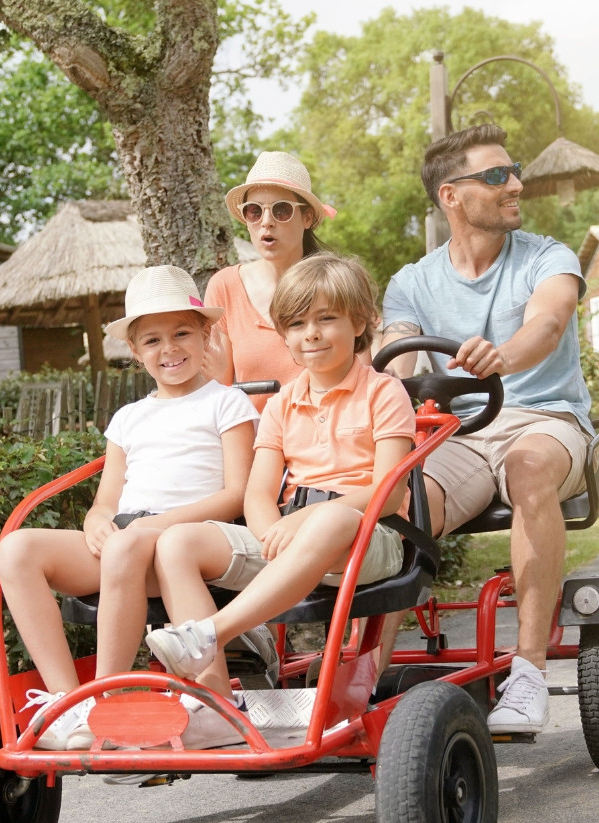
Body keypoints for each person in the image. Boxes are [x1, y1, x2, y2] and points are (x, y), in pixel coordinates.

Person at [378, 124, 595, 735]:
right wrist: (391, 360)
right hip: (464, 432)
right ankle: (363, 675)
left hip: (545, 420)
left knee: (527, 470)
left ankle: (526, 673)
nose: (516, 184)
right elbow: (395, 350)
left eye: (514, 170)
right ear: (452, 195)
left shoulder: (548, 256)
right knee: (403, 500)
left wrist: (503, 356)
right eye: (497, 176)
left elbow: (548, 324)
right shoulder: (411, 282)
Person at [145, 253, 415, 732]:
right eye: (296, 323)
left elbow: (388, 495)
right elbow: (257, 493)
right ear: (284, 334)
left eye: (326, 319)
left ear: (359, 323)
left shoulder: (384, 393)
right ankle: (217, 705)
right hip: (290, 538)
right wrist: (272, 530)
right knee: (177, 541)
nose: (310, 333)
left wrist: (302, 523)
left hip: (368, 537)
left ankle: (208, 634)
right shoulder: (282, 403)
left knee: (331, 519)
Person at [0, 265, 258, 750]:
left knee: (129, 544)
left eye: (182, 333)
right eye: (152, 340)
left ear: (206, 336)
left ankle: (108, 703)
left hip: (192, 542)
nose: (170, 349)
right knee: (16, 550)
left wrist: (152, 527)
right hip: (126, 543)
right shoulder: (129, 418)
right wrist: (97, 523)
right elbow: (106, 501)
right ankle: (67, 702)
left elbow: (237, 493)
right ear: (135, 352)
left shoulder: (227, 404)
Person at [203, 151, 334, 409]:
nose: (266, 222)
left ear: (307, 217)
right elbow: (217, 389)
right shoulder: (224, 287)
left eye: (281, 210)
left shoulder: (334, 283)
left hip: (327, 439)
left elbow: (360, 374)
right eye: (254, 211)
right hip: (253, 442)